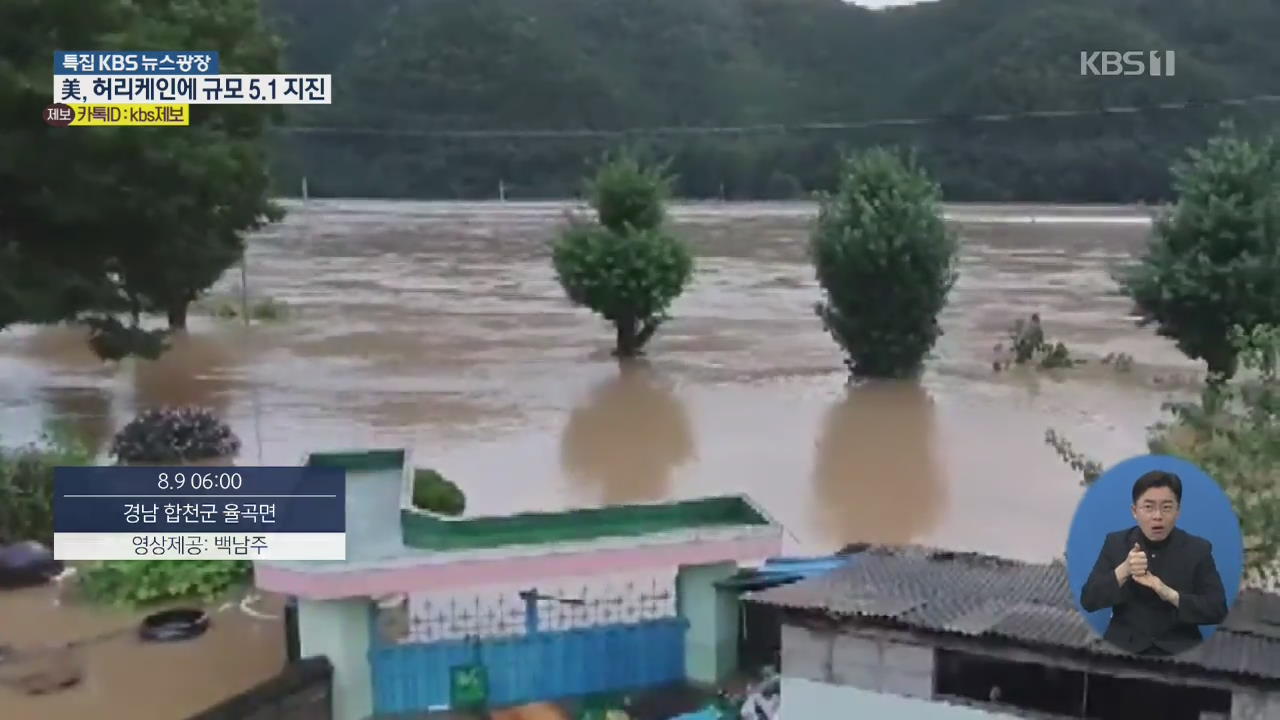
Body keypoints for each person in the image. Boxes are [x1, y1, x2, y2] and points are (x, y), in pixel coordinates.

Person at [1080, 470, 1229, 655]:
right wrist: (1123, 570)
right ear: (1135, 511)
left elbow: (1217, 609)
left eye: (1166, 507)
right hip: (1123, 651)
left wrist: (1169, 594)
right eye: (1149, 507)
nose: (1157, 516)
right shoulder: (1116, 543)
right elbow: (1088, 600)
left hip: (1180, 653)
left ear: (1178, 511)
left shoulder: (1198, 550)